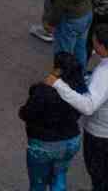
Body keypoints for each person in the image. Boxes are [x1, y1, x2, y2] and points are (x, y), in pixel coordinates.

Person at [50, 24, 108, 191]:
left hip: (100, 135)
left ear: (103, 47)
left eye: (95, 43)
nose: (93, 45)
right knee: (102, 173)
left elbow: (88, 106)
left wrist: (59, 85)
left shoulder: (105, 74)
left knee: (99, 174)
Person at [20, 52, 87, 191]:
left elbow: (26, 113)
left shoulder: (43, 91)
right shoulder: (79, 88)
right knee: (59, 176)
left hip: (44, 145)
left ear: (58, 69)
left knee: (38, 184)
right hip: (71, 141)